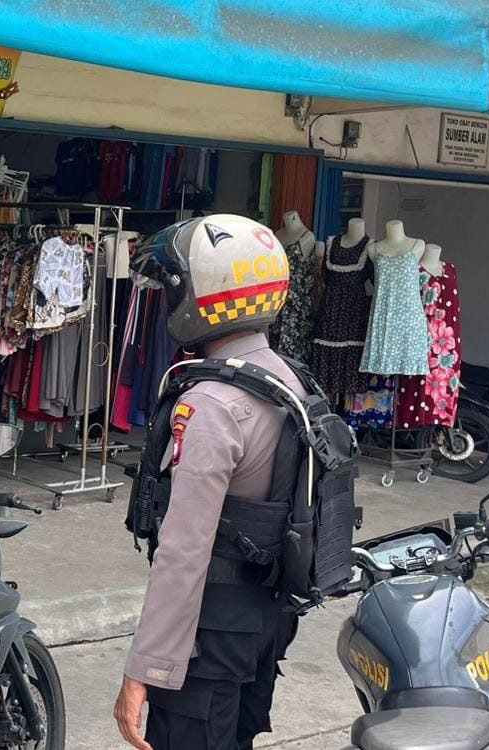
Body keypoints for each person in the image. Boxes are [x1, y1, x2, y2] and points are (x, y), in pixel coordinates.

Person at [113, 215, 305, 750]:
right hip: (263, 620)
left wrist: (144, 668)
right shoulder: (287, 378)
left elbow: (184, 550)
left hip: (209, 637)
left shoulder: (212, 404)